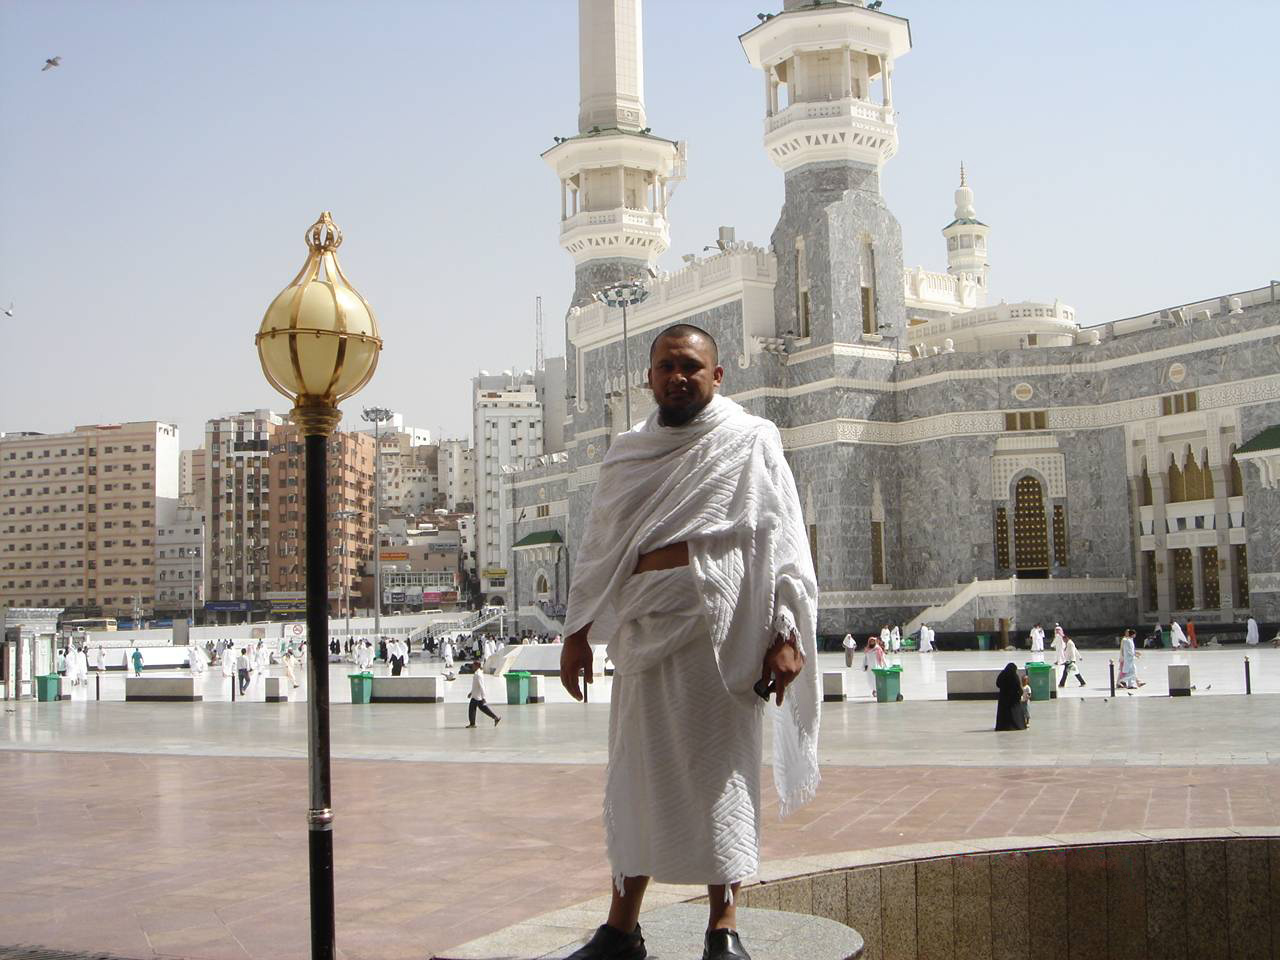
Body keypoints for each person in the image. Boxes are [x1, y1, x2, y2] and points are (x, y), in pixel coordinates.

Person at [559, 324, 818, 960]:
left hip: (723, 628)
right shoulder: (626, 454)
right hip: (646, 630)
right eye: (667, 366)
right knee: (636, 777)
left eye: (692, 367)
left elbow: (783, 538)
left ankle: (723, 926)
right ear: (648, 378)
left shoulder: (750, 439)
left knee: (720, 776)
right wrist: (576, 633)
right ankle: (622, 928)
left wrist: (786, 631)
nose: (678, 376)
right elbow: (597, 550)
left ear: (717, 376)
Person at [466, 660, 501, 728]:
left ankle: (472, 724)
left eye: (473, 665)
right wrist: (471, 692)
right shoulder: (477, 673)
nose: (472, 666)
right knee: (483, 709)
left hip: (477, 696)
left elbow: (482, 686)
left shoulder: (478, 675)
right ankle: (496, 718)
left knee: (472, 709)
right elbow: (475, 685)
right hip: (476, 695)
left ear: (477, 666)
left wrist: (484, 698)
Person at [995, 663, 1026, 730]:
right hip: (1013, 699)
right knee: (1015, 713)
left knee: (1004, 713)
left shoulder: (1002, 674)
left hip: (1003, 698)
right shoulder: (1014, 676)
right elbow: (1019, 687)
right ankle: (1017, 725)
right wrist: (1020, 694)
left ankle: (1003, 727)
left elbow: (998, 684)